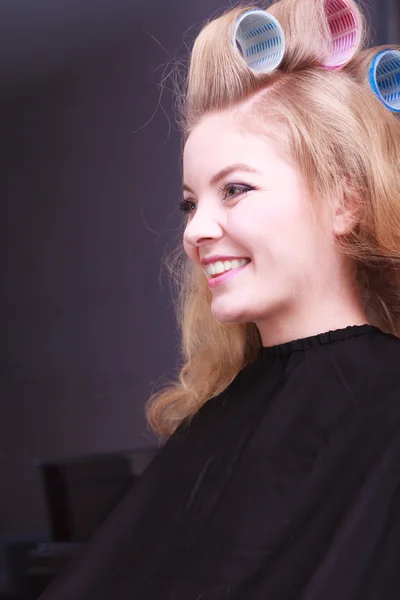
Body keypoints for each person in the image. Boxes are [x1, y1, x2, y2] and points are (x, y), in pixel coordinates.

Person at [40, 0, 400, 598]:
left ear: (346, 202)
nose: (195, 229)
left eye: (234, 189)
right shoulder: (219, 418)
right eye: (190, 202)